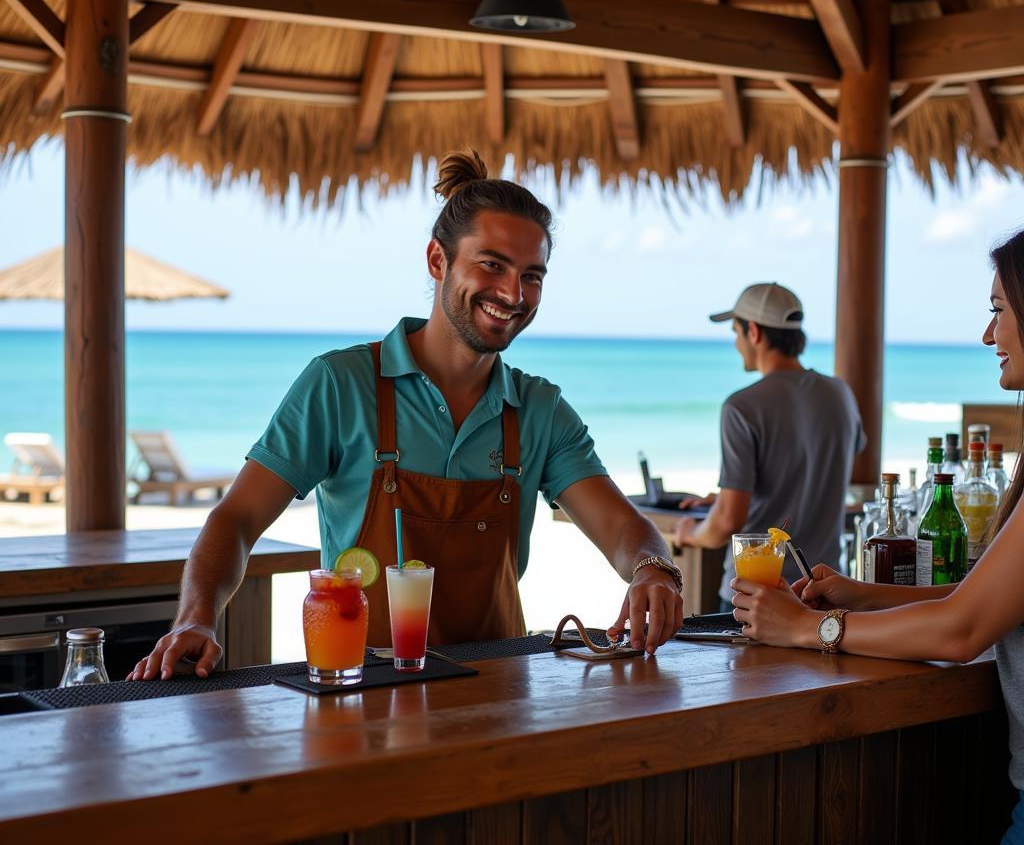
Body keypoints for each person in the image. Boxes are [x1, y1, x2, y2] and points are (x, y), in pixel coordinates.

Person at [129, 149, 684, 681]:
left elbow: (622, 528)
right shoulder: (340, 384)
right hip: (358, 686)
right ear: (437, 259)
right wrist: (196, 617)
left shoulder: (540, 410)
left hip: (498, 688)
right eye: (492, 265)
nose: (514, 293)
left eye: (532, 275)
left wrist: (653, 571)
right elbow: (236, 520)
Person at [730, 229, 1024, 844]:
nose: (987, 335)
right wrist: (858, 593)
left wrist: (807, 630)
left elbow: (963, 630)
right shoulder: (837, 392)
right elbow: (975, 599)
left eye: (998, 309)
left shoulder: (742, 404)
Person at [674, 282, 865, 609]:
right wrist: (727, 497)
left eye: (736, 332)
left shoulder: (741, 407)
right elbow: (811, 471)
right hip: (824, 592)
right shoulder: (840, 394)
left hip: (757, 598)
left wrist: (689, 533)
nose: (735, 343)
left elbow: (728, 523)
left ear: (756, 333)